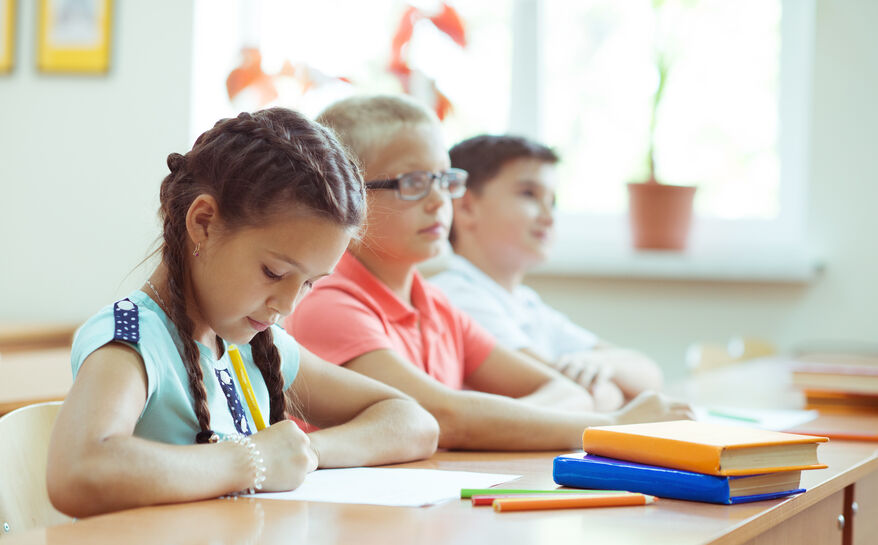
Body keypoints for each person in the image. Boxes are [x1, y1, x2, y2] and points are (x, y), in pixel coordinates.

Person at [47, 108, 439, 518]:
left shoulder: (255, 347)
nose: (287, 305)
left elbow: (412, 421)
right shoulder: (131, 340)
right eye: (274, 272)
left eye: (309, 283)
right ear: (203, 222)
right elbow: (78, 471)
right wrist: (252, 460)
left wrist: (304, 452)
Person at [287, 95, 691, 451]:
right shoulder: (329, 300)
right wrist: (614, 427)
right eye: (413, 182)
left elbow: (567, 392)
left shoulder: (436, 305)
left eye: (444, 180)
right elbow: (443, 417)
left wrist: (490, 423)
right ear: (344, 193)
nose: (438, 200)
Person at [430, 135, 663, 411]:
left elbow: (649, 375)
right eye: (529, 194)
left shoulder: (526, 304)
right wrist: (613, 392)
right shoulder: (454, 294)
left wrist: (603, 364)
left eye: (552, 202)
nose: (549, 217)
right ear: (466, 207)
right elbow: (573, 397)